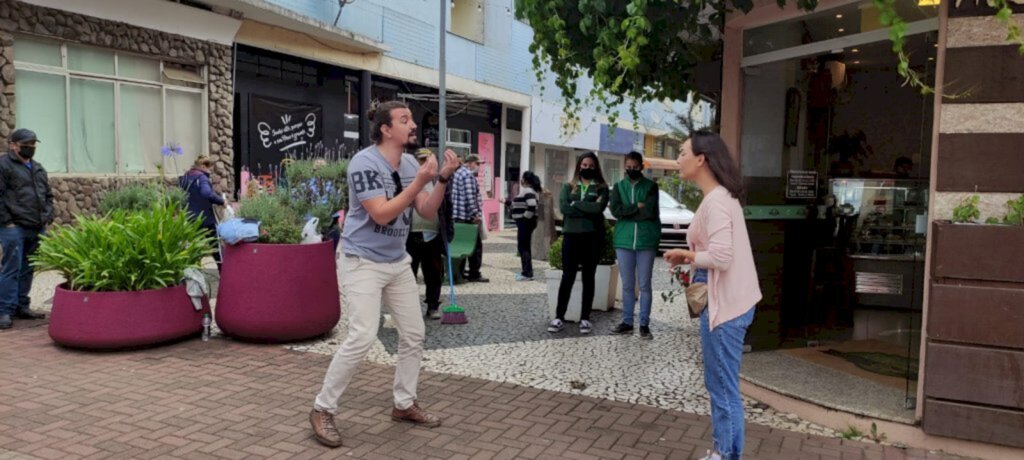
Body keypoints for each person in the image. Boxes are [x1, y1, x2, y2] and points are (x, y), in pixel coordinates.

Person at [309, 101, 460, 448]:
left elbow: (425, 209)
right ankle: (322, 408)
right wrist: (421, 179)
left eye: (411, 119)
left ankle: (404, 403)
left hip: (396, 262)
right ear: (386, 129)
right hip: (361, 260)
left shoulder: (409, 163)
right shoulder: (364, 163)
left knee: (414, 333)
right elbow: (381, 214)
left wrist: (442, 179)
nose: (413, 125)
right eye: (404, 120)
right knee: (362, 335)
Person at [665, 131, 762, 460]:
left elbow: (721, 257)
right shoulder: (719, 198)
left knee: (723, 388)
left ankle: (726, 455)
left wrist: (686, 255)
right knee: (721, 385)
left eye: (682, 153)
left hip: (726, 304)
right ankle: (723, 452)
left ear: (701, 159)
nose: (678, 159)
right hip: (727, 299)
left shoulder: (718, 201)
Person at [548, 152, 608, 335]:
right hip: (571, 237)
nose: (587, 168)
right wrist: (585, 206)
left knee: (589, 277)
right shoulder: (569, 186)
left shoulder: (601, 188)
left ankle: (585, 318)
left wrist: (577, 205)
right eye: (584, 165)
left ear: (596, 167)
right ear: (578, 166)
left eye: (591, 165)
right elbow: (564, 207)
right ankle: (559, 317)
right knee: (568, 276)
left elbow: (599, 208)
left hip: (592, 237)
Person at [0, 128, 53, 330]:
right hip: (13, 227)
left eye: (33, 144)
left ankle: (22, 305)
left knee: (28, 268)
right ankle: (4, 310)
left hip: (36, 226)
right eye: (26, 144)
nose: (30, 147)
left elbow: (48, 196)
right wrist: (7, 222)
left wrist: (47, 216)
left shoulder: (38, 168)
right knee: (11, 268)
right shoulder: (3, 165)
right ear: (13, 144)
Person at [609, 151, 660, 340]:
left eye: (635, 167)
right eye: (628, 167)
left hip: (646, 240)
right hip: (623, 240)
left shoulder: (651, 187)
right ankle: (627, 322)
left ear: (642, 167)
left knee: (645, 284)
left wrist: (627, 212)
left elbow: (650, 212)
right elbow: (615, 210)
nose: (631, 170)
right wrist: (634, 207)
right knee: (628, 285)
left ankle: (644, 325)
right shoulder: (618, 187)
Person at [405, 148, 445, 319]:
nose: (424, 164)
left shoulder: (440, 182)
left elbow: (446, 208)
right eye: (420, 160)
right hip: (410, 234)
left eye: (426, 160)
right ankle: (408, 309)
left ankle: (433, 306)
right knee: (408, 275)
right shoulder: (408, 180)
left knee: (434, 273)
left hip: (433, 234)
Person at [179, 155, 226, 270]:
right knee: (215, 246)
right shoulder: (202, 178)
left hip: (189, 218)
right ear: (203, 166)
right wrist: (221, 201)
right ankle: (223, 272)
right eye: (208, 167)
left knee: (192, 248)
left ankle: (193, 271)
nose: (209, 170)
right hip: (205, 219)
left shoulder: (186, 177)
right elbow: (206, 193)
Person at [450, 153, 488, 282]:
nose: (479, 167)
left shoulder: (459, 173)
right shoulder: (467, 175)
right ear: (471, 163)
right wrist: (475, 215)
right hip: (466, 217)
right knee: (476, 246)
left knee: (461, 245)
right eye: (478, 164)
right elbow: (470, 197)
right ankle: (474, 273)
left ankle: (460, 273)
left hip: (458, 215)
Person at [510, 171, 541, 281]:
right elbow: (519, 204)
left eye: (522, 178)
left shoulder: (528, 191)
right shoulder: (530, 191)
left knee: (523, 247)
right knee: (524, 246)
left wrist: (524, 218)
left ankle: (527, 273)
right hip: (526, 222)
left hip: (526, 223)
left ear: (525, 180)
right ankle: (527, 271)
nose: (521, 180)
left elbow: (531, 205)